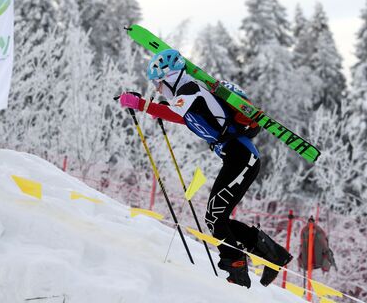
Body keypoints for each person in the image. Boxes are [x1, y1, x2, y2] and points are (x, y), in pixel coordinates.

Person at [119, 49, 292, 288]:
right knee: (215, 217)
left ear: (169, 78)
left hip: (243, 157)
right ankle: (272, 255)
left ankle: (238, 265)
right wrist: (149, 108)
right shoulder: (187, 97)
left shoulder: (191, 88)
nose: (158, 89)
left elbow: (172, 111)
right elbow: (180, 117)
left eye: (158, 84)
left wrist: (140, 104)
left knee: (215, 216)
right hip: (236, 158)